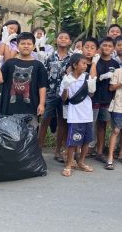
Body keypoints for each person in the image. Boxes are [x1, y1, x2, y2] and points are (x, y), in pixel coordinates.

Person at [0, 32, 48, 123]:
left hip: (31, 108)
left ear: (34, 46)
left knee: (29, 135)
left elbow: (42, 86)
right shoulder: (10, 63)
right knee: (9, 135)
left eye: (29, 44)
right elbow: (0, 80)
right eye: (23, 43)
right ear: (17, 46)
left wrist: (42, 104)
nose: (26, 46)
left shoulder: (38, 65)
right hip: (9, 109)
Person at [59, 53, 96, 177]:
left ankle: (81, 162)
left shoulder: (87, 77)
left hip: (87, 114)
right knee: (72, 141)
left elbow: (90, 95)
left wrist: (92, 88)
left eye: (87, 63)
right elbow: (64, 99)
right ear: (75, 65)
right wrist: (65, 87)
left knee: (86, 140)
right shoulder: (67, 79)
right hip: (74, 115)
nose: (86, 66)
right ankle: (69, 164)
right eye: (83, 63)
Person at [38, 31, 72, 161]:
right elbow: (43, 75)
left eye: (66, 37)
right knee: (45, 120)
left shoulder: (73, 58)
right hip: (50, 94)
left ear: (70, 42)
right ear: (56, 41)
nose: (63, 39)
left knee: (62, 122)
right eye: (61, 37)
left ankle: (58, 151)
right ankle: (38, 149)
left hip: (65, 95)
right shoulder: (49, 56)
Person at [89, 37, 119, 163]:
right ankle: (85, 149)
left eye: (109, 46)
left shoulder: (115, 63)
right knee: (90, 124)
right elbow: (92, 77)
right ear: (100, 47)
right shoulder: (95, 61)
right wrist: (100, 75)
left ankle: (100, 152)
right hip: (94, 98)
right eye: (104, 45)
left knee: (102, 125)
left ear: (113, 48)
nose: (107, 48)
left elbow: (116, 82)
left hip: (107, 98)